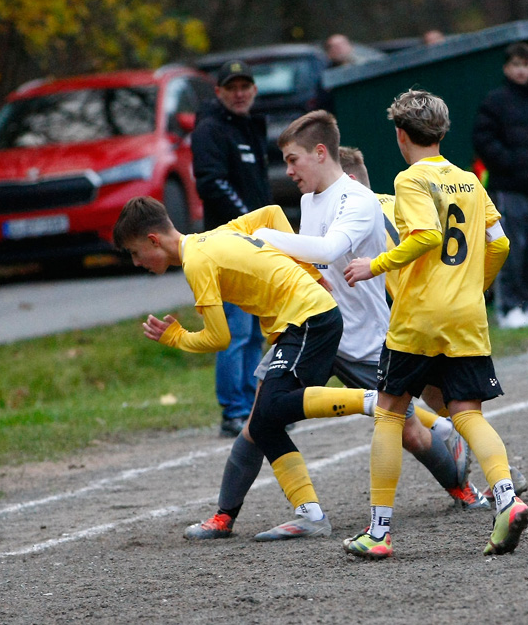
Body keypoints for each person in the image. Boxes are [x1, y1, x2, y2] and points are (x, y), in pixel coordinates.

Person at [181, 113, 487, 542]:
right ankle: (223, 516)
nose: (287, 171)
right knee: (260, 421)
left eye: (293, 160)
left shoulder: (356, 199)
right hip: (314, 325)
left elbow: (327, 248)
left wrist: (263, 239)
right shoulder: (308, 202)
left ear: (320, 153)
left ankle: (466, 490)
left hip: (362, 335)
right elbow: (315, 262)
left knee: (407, 429)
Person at [114, 197, 378, 540]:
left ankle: (370, 401)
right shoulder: (215, 236)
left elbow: (219, 337)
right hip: (301, 322)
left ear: (153, 240)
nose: (137, 262)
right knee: (262, 423)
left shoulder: (196, 261)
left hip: (308, 320)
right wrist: (307, 272)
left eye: (136, 253)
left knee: (268, 413)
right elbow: (271, 212)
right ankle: (252, 516)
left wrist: (175, 337)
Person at [342, 89, 528, 559]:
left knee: (389, 413)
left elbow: (426, 235)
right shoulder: (469, 179)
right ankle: (507, 500)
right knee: (467, 413)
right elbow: (500, 242)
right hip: (466, 316)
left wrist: (376, 265)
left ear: (402, 135)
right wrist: (475, 288)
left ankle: (379, 533)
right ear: (442, 132)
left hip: (419, 317)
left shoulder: (410, 180)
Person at [191, 59, 272, 437]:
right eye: (232, 87)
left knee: (256, 332)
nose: (240, 94)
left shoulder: (252, 125)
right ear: (219, 92)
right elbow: (211, 183)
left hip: (255, 246)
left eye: (245, 86)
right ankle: (234, 411)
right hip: (226, 246)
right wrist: (247, 225)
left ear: (254, 90)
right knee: (235, 332)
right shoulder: (209, 130)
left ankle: (252, 403)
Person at [473, 42, 528, 328]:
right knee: (512, 248)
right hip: (509, 188)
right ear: (507, 68)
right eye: (517, 65)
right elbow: (483, 140)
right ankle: (510, 308)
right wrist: (510, 162)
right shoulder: (495, 101)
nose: (523, 71)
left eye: (527, 65)